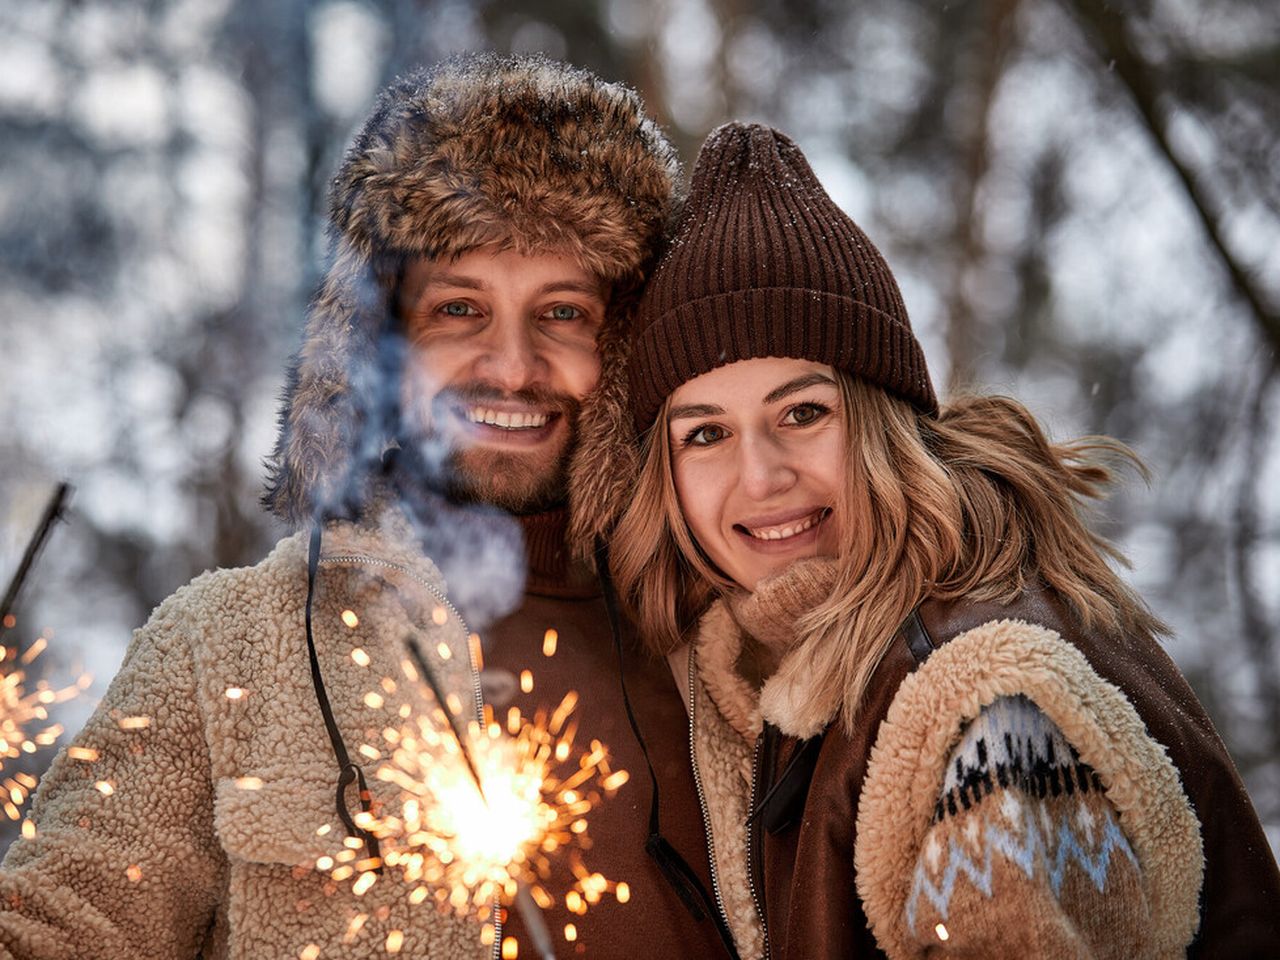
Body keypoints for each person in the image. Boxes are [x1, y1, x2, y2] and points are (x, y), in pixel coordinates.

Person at [0, 55, 728, 959]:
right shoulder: (226, 645)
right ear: (378, 341)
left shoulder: (717, 644)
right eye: (460, 309)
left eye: (564, 313)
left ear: (622, 343)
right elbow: (56, 934)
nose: (511, 365)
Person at [586, 122, 1280, 958]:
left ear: (883, 423)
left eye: (804, 413)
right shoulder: (807, 676)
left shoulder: (981, 710)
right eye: (706, 435)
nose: (760, 476)